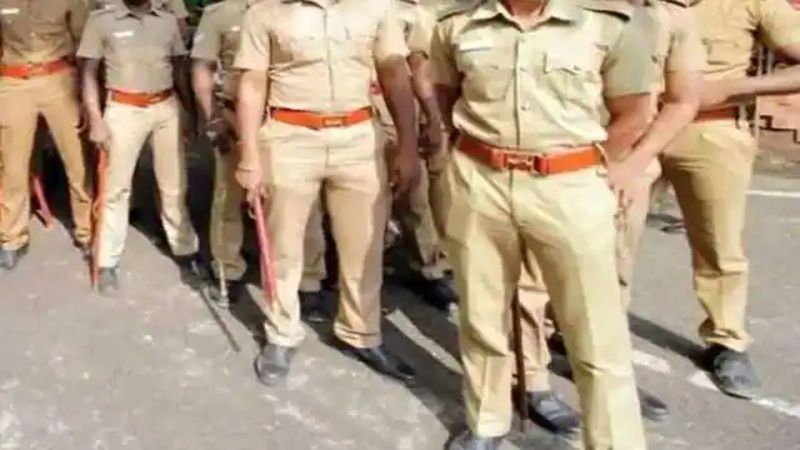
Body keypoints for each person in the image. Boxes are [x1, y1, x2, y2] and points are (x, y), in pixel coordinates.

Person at [429, 0, 658, 447]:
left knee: (595, 332)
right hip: (480, 180)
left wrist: (593, 166)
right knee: (481, 317)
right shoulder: (457, 24)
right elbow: (444, 95)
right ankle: (486, 421)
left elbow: (634, 113)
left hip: (569, 186)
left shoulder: (607, 25)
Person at [513, 0, 704, 434]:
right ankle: (531, 380)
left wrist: (631, 164)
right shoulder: (547, 11)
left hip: (624, 169)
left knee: (610, 277)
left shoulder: (663, 16)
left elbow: (682, 99)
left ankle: (592, 366)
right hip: (551, 167)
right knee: (531, 283)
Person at [234, 0, 421, 385]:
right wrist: (249, 157)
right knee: (284, 246)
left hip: (358, 137)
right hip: (289, 137)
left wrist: (407, 146)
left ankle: (360, 332)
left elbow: (394, 75)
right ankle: (281, 333)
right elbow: (252, 84)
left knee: (364, 245)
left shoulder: (375, 8)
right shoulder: (265, 12)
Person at [660, 0, 800, 399]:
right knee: (607, 239)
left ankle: (726, 342)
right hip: (634, 127)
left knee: (719, 245)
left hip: (710, 131)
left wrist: (733, 88)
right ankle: (587, 333)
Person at [78, 0, 206, 295]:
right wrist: (96, 119)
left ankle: (185, 248)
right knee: (115, 189)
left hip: (165, 107)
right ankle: (107, 260)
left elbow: (179, 68)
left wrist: (187, 110)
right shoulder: (102, 21)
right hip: (124, 109)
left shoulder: (166, 21)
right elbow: (88, 73)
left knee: (174, 185)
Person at [0, 0, 93, 271]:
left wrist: (86, 97)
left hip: (59, 79)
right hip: (13, 82)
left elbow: (84, 46)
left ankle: (87, 230)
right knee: (12, 165)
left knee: (77, 160)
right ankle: (11, 237)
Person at [190, 0, 254, 307]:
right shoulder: (220, 14)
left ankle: (305, 280)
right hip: (233, 116)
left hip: (284, 119)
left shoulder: (293, 10)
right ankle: (228, 269)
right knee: (228, 197)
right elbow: (202, 68)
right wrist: (213, 120)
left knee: (291, 202)